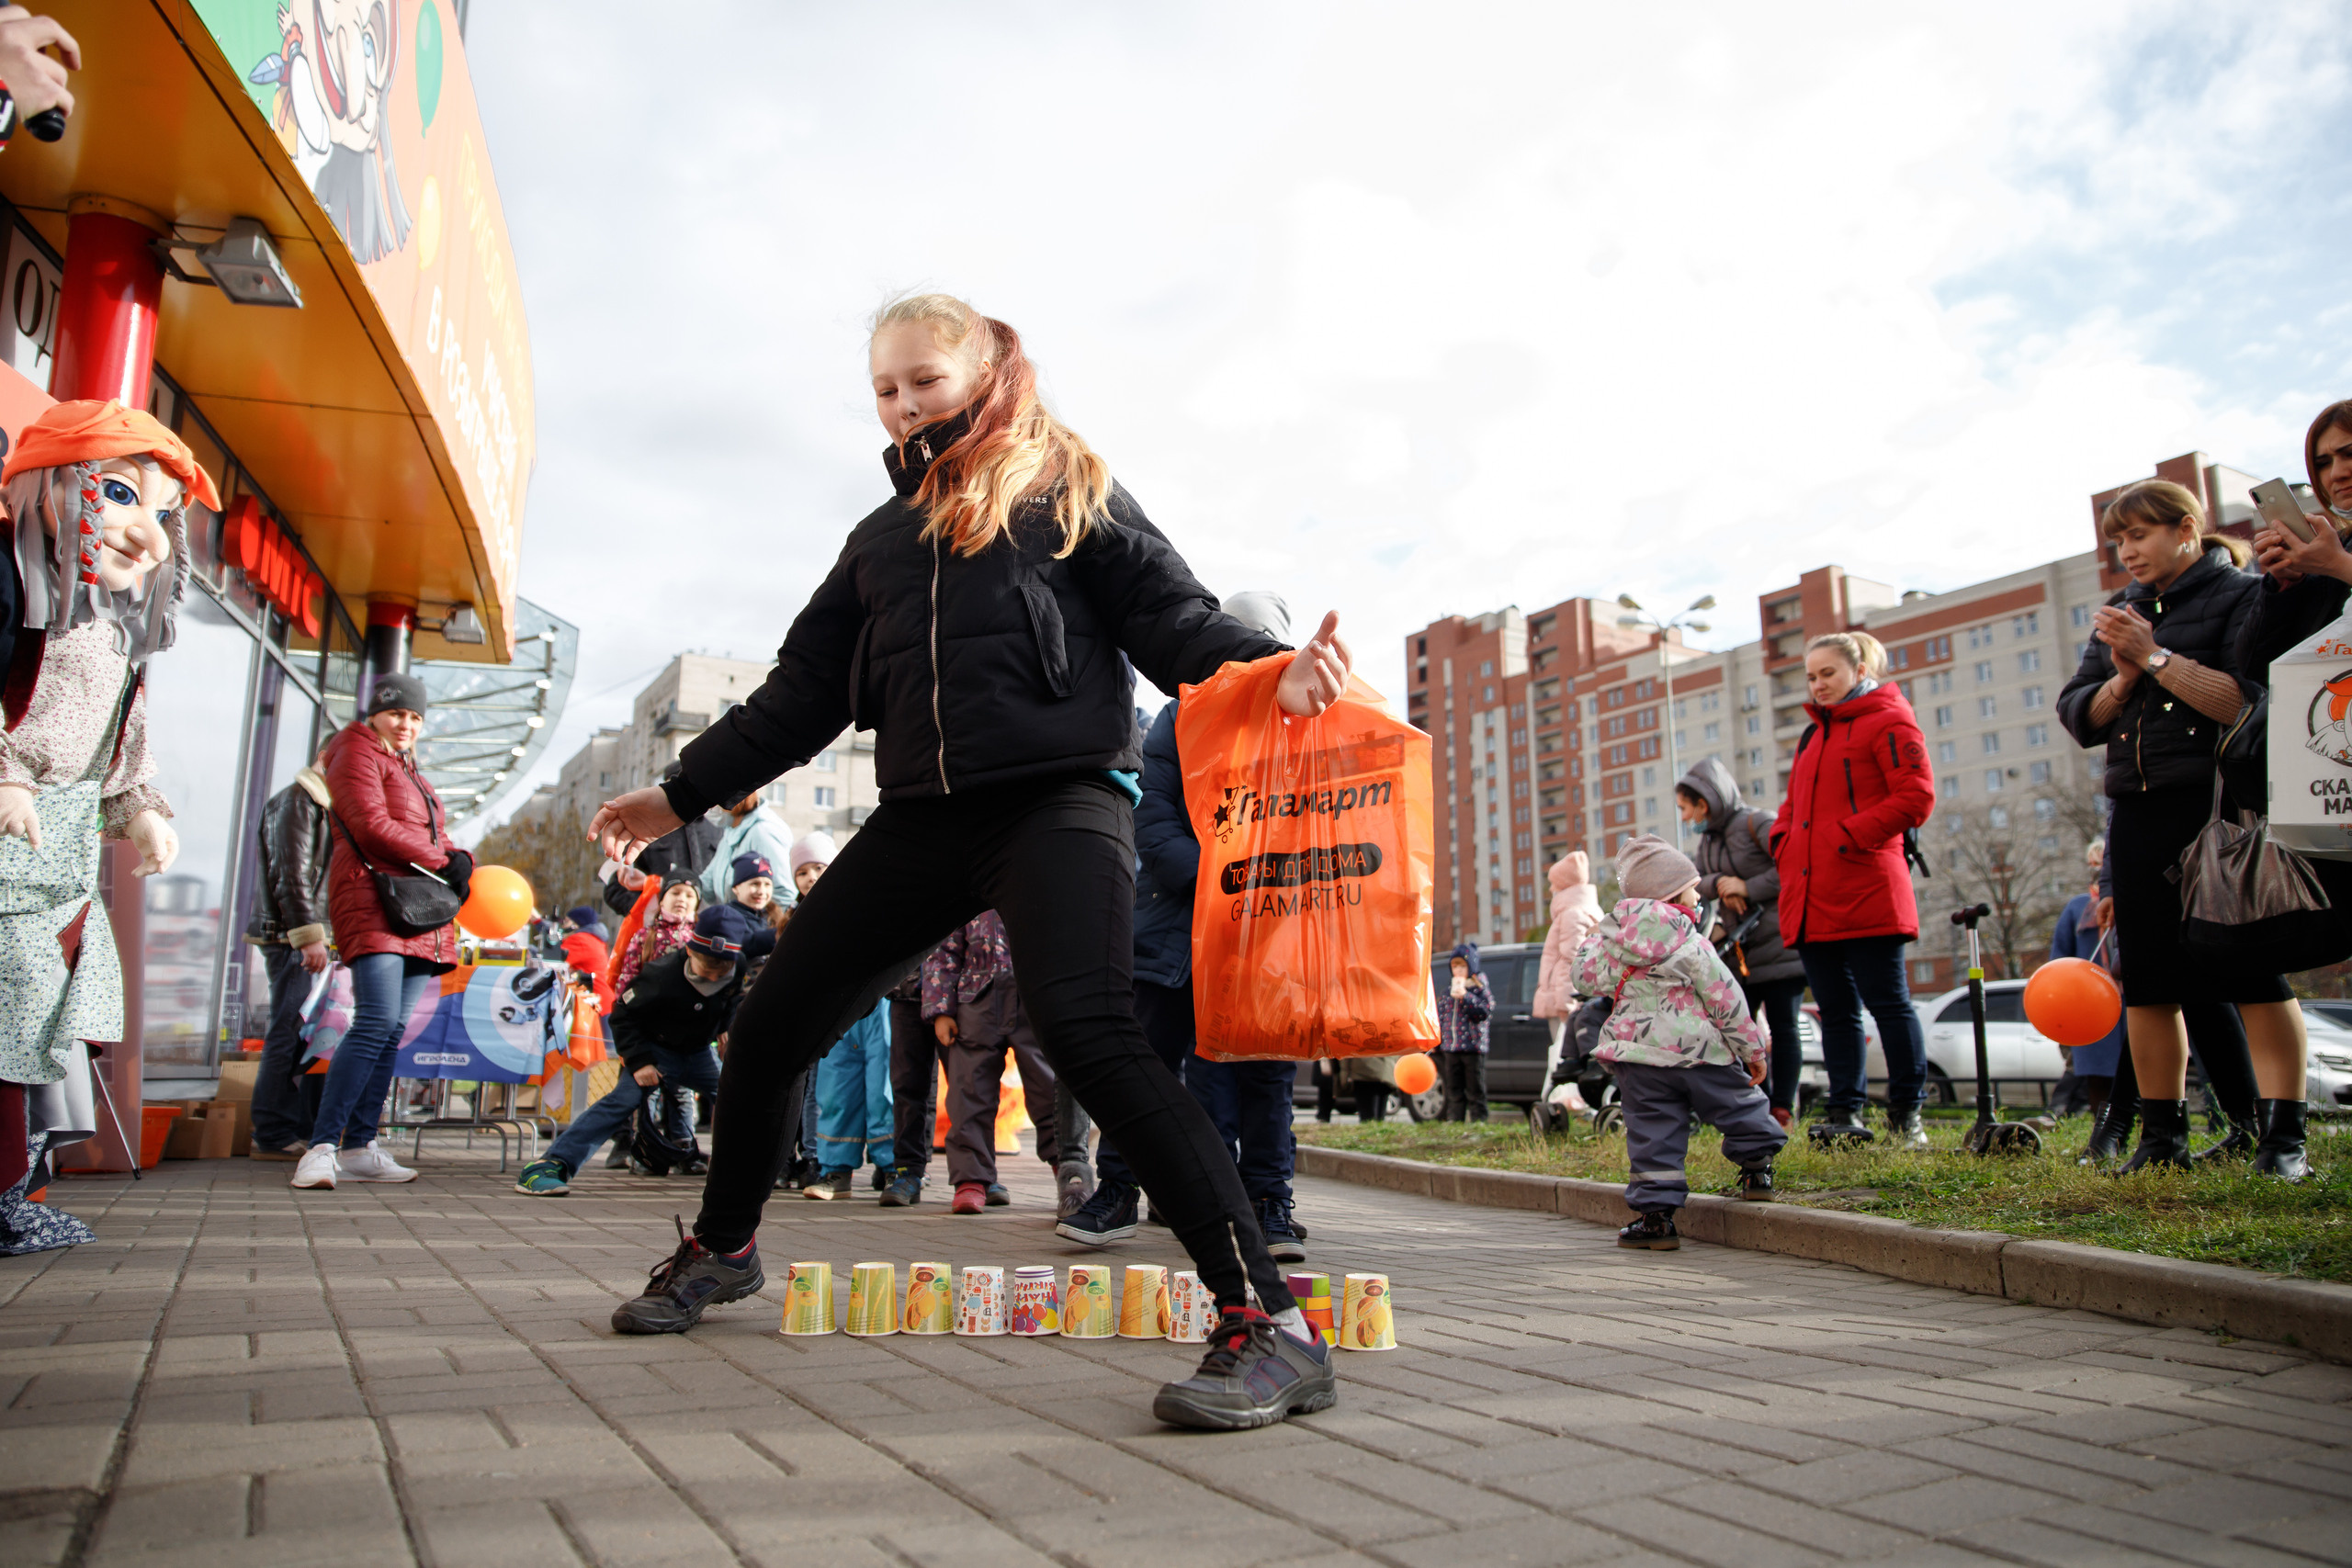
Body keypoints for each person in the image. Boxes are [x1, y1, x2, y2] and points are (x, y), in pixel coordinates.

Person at [588, 291, 1346, 1430]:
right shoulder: (881, 541)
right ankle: (725, 1244)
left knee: (1091, 1032)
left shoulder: (1069, 490)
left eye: (921, 382)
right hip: (922, 817)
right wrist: (679, 791)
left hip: (1059, 799)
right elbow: (800, 696)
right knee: (776, 1017)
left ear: (986, 371)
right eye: (883, 390)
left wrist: (1268, 670)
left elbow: (1174, 618)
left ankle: (1268, 1326)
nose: (900, 406)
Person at [0, 399, 201, 1255]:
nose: (146, 534)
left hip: (62, 861)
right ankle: (7, 1192)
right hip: (15, 851)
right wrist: (5, 771)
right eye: (119, 493)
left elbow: (121, 755)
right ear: (55, 487)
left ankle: (19, 1183)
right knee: (18, 1014)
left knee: (48, 1023)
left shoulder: (114, 633)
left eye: (163, 514)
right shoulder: (12, 586)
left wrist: (142, 812)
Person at [2058, 479, 2302, 1174]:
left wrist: (2157, 657)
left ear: (2187, 529)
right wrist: (2124, 677)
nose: (2128, 551)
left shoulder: (2244, 595)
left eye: (2140, 534)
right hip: (2136, 808)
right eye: (2119, 541)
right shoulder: (2121, 614)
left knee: (2252, 971)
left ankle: (2283, 1136)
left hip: (2219, 806)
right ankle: (2163, 1138)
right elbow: (2078, 715)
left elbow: (2246, 703)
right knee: (2152, 984)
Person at [1063, 590, 1304, 1257]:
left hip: (1268, 942)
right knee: (1145, 1064)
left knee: (1262, 1077)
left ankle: (1266, 1201)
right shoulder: (1178, 718)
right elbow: (1156, 816)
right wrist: (1226, 883)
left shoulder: (1304, 730)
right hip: (1175, 932)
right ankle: (1118, 1191)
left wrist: (1264, 894)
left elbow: (1317, 825)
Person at [297, 671, 468, 1190]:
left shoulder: (409, 768)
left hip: (414, 912)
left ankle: (360, 1144)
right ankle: (321, 1147)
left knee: (392, 1030)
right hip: (373, 902)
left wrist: (458, 857)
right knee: (373, 1022)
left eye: (415, 717)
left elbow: (429, 831)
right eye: (397, 713)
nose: (406, 724)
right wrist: (447, 859)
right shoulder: (355, 750)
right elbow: (370, 823)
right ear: (375, 713)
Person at [1573, 835, 1785, 1250]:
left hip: (1639, 1058)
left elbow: (1583, 978)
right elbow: (1727, 999)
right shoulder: (1692, 942)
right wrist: (1752, 1051)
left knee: (1652, 1132)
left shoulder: (1613, 943)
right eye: (1693, 889)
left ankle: (1656, 1220)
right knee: (1737, 1104)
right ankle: (1758, 1169)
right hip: (1700, 1053)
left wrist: (1593, 939)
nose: (1699, 896)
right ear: (1672, 896)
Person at [1770, 631, 1935, 1147]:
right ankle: (1846, 1112)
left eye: (1828, 674)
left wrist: (1849, 837)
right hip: (1812, 892)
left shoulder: (1889, 719)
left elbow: (1916, 796)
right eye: (1811, 676)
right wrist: (1784, 844)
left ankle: (1907, 1114)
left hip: (1866, 886)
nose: (1818, 685)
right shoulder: (1811, 736)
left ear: (1859, 669)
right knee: (1837, 1010)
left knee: (1888, 1003)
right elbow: (1793, 808)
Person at [514, 909, 744, 1196]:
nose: (712, 976)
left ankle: (756, 1171)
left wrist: (725, 1028)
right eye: (705, 966)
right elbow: (622, 1017)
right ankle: (549, 1166)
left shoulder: (738, 967)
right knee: (622, 1101)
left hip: (697, 1053)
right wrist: (639, 1062)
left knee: (739, 1098)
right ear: (688, 950)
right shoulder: (660, 976)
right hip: (655, 1050)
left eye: (721, 969)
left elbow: (732, 1000)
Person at [1677, 757, 1806, 1129]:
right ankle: (1752, 1105)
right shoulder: (1708, 840)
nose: (1686, 817)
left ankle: (1781, 1108)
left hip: (1780, 944)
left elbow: (1792, 863)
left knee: (1784, 1028)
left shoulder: (1757, 822)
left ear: (1705, 802)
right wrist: (1721, 883)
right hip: (1739, 951)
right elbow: (1696, 880)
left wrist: (1748, 887)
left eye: (1686, 808)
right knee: (1736, 1028)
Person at [919, 909, 1059, 1213]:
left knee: (1049, 1086)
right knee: (969, 1090)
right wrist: (941, 1009)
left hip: (1035, 996)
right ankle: (971, 1179)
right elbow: (944, 946)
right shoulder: (970, 883)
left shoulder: (1046, 873)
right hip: (977, 998)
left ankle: (1069, 1170)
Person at [244, 750, 334, 1160]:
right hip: (292, 939)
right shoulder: (299, 802)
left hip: (300, 937)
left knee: (304, 1033)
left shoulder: (316, 804)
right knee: (290, 1030)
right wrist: (308, 935)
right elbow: (290, 874)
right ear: (325, 759)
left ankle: (289, 1127)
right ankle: (274, 1132)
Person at [2048, 846, 2124, 1123]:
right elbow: (2059, 959)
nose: (2095, 868)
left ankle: (2142, 1132)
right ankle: (2103, 1133)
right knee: (2097, 1074)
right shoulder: (2078, 908)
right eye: (2091, 862)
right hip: (2089, 1004)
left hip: (2128, 1001)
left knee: (2138, 1070)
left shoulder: (2129, 900)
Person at [602, 761, 721, 920]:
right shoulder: (645, 830)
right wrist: (650, 913)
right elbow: (615, 889)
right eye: (680, 787)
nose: (688, 794)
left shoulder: (718, 830)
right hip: (655, 934)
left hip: (705, 931)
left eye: (693, 786)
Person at [802, 996, 894, 1199]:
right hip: (841, 1001)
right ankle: (836, 1171)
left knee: (883, 1093)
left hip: (885, 997)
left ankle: (892, 1168)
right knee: (836, 1091)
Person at [1531, 850, 1602, 1068]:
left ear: (1565, 885)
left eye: (1555, 884)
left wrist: (1566, 1001)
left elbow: (1573, 961)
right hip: (1570, 997)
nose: (1551, 889)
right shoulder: (1585, 910)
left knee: (1565, 1052)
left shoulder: (1572, 914)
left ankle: (1569, 1097)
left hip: (1565, 999)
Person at [699, 785, 796, 914]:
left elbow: (783, 894)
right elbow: (708, 884)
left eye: (713, 803)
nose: (709, 809)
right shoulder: (731, 831)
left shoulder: (763, 832)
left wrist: (765, 928)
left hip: (755, 928)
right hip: (733, 923)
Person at [1435, 942, 1493, 1121]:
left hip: (1473, 1047)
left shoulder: (1479, 989)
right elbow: (1441, 1018)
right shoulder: (1446, 994)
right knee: (1453, 1088)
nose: (1458, 970)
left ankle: (1479, 1120)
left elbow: (1484, 1012)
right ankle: (1455, 1120)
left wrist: (1466, 997)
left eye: (1462, 965)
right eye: (1454, 966)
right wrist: (1439, 1043)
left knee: (1475, 1088)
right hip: (1451, 1048)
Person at [617, 880, 699, 991]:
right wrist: (623, 1005)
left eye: (689, 896)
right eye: (675, 893)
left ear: (697, 904)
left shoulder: (699, 936)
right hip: (651, 1002)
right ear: (661, 901)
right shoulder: (645, 935)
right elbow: (629, 975)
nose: (681, 899)